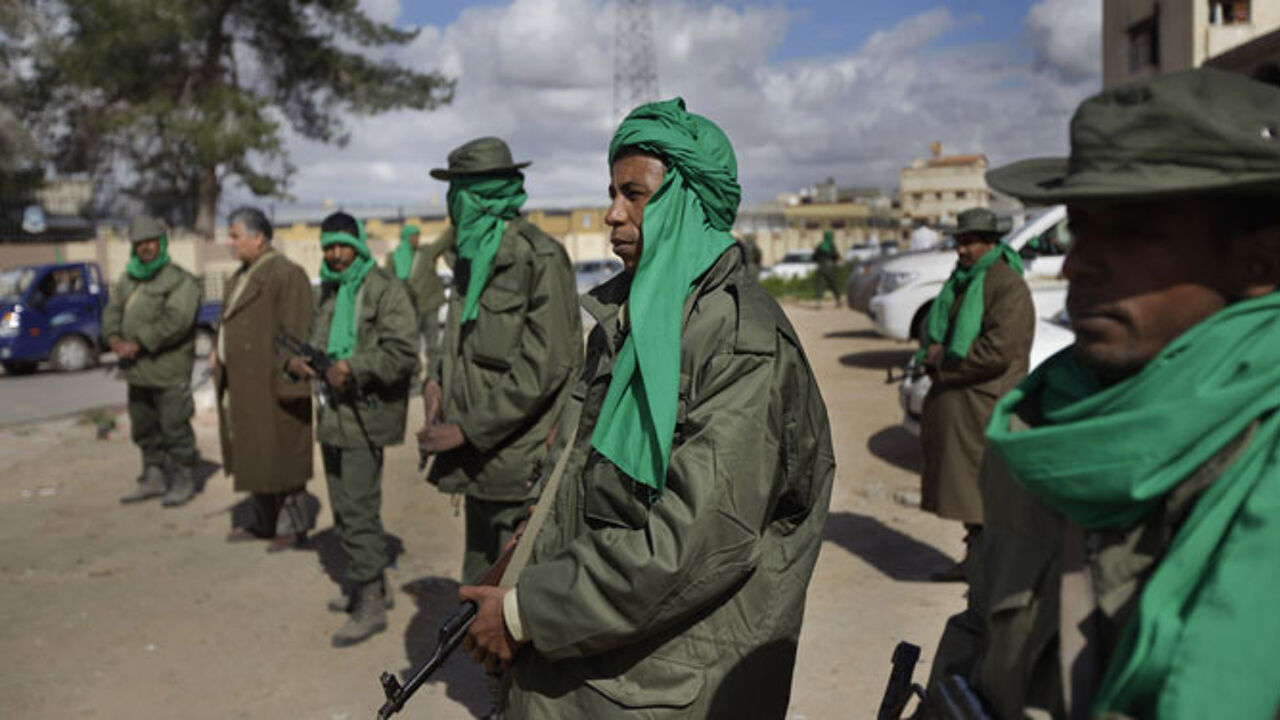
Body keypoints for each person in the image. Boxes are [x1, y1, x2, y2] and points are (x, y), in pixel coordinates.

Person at [457, 98, 836, 718]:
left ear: (686, 201)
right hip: (590, 667)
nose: (612, 214)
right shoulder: (630, 319)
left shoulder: (742, 343)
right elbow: (577, 477)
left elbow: (693, 544)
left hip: (660, 691)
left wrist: (526, 614)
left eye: (634, 194)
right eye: (612, 193)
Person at [923, 68, 1280, 719]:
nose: (1077, 263)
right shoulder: (1041, 431)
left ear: (1259, 262)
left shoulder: (1260, 463)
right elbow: (980, 633)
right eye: (1081, 227)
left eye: (1135, 230)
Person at [418, 136, 583, 586]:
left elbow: (546, 367)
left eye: (457, 192)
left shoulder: (538, 257)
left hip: (520, 460)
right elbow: (455, 337)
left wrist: (467, 429)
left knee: (513, 586)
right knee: (477, 579)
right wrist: (434, 381)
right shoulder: (470, 256)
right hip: (477, 461)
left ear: (478, 196)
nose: (451, 204)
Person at [287, 211, 418, 647]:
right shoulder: (327, 292)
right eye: (328, 247)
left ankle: (371, 605)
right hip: (332, 417)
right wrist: (300, 363)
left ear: (360, 245)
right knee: (344, 509)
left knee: (359, 509)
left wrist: (353, 368)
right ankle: (370, 585)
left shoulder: (384, 289)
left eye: (344, 245)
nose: (336, 254)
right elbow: (316, 341)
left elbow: (402, 352)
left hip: (365, 416)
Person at [917, 207, 1033, 582]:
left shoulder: (1006, 285)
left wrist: (941, 362)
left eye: (970, 242)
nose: (962, 249)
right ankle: (976, 562)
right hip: (963, 403)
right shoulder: (965, 280)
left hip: (985, 403)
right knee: (969, 493)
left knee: (985, 494)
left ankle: (990, 569)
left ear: (990, 242)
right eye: (959, 241)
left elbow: (998, 351)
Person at [214, 207, 315, 552]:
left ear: (258, 238)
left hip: (274, 385)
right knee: (256, 455)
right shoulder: (241, 277)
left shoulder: (286, 274)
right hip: (246, 386)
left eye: (235, 236)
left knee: (284, 455)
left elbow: (296, 334)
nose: (230, 242)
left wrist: (290, 382)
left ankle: (292, 527)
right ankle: (265, 522)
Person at [104, 215, 201, 507]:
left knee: (174, 426)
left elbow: (178, 320)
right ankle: (153, 477)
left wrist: (140, 342)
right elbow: (113, 310)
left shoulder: (179, 280)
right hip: (136, 371)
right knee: (144, 427)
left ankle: (183, 479)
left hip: (169, 370)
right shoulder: (128, 279)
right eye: (139, 243)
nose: (145, 248)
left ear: (161, 244)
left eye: (150, 242)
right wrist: (113, 338)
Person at [385, 222, 453, 360]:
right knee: (409, 346)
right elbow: (389, 283)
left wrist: (455, 225)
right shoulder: (394, 257)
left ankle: (433, 372)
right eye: (413, 236)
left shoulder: (426, 253)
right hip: (409, 310)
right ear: (406, 238)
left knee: (433, 347)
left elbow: (443, 242)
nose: (416, 239)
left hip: (429, 306)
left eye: (418, 236)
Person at [813, 229, 841, 306]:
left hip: (821, 267)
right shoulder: (832, 246)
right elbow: (836, 256)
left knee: (820, 284)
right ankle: (838, 301)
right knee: (834, 284)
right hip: (831, 268)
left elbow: (814, 257)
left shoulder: (820, 246)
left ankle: (819, 301)